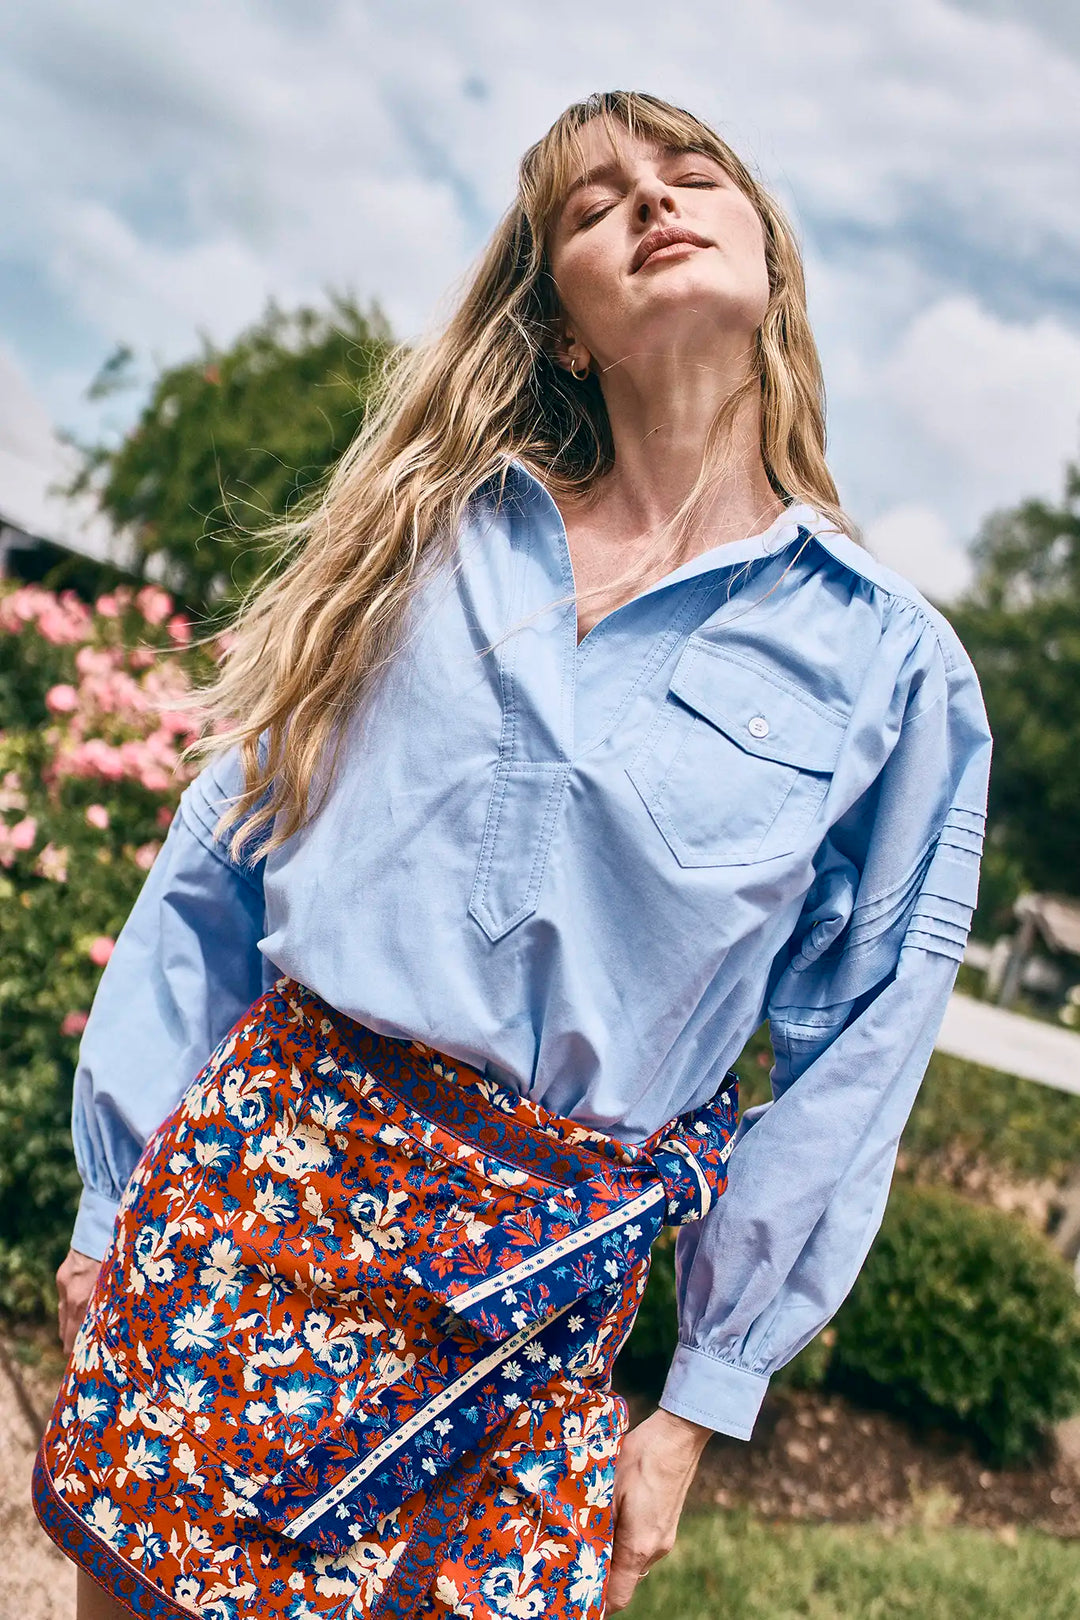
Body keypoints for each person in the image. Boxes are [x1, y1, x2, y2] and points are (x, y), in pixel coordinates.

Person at [35, 89, 992, 1620]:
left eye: (691, 176)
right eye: (595, 204)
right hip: (247, 1215)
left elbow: (857, 1062)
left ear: (772, 264)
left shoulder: (888, 669)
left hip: (531, 1316)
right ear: (562, 328)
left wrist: (698, 1404)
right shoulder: (427, 540)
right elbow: (223, 857)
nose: (653, 202)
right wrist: (113, 1201)